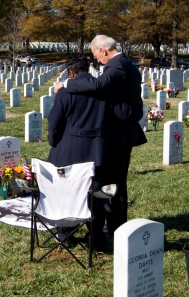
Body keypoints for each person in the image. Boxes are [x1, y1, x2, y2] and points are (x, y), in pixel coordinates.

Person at [54, 35, 146, 238]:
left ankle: (116, 229)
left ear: (103, 51)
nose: (97, 60)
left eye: (96, 56)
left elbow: (97, 86)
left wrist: (66, 85)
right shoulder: (127, 64)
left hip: (119, 133)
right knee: (111, 183)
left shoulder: (117, 66)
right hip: (122, 131)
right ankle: (108, 225)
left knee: (114, 184)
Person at [48, 53, 119, 249]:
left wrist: (54, 142)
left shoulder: (65, 92)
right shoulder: (103, 90)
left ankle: (64, 233)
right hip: (98, 152)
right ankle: (96, 234)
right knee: (98, 194)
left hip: (69, 152)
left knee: (66, 192)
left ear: (70, 71)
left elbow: (54, 122)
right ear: (87, 68)